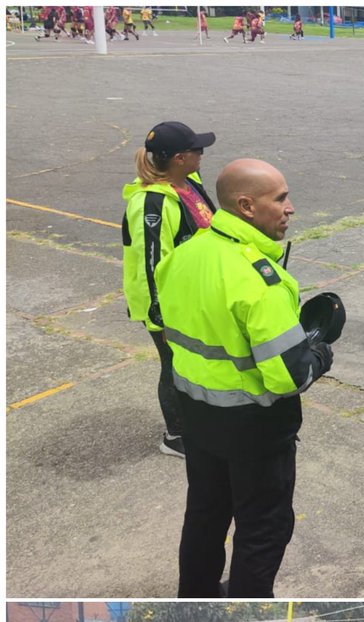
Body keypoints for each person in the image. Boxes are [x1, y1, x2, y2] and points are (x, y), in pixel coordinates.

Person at [156, 158, 334, 598]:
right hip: (255, 428)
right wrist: (320, 353)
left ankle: (195, 597)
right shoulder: (260, 281)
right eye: (280, 198)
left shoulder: (185, 255)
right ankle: (249, 599)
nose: (290, 207)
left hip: (197, 417)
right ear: (247, 206)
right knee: (262, 529)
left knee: (204, 517)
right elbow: (289, 376)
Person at [122, 121, 216, 458]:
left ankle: (197, 421)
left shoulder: (188, 183)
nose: (202, 154)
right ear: (179, 158)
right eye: (196, 150)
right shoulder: (152, 204)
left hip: (194, 295)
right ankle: (176, 435)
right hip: (167, 305)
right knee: (173, 365)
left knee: (192, 362)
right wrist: (159, 317)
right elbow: (150, 264)